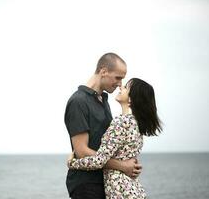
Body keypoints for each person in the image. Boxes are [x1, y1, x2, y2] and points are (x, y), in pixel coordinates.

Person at [67, 78, 162, 199]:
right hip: (132, 189)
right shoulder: (136, 124)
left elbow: (99, 161)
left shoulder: (121, 122)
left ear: (131, 100)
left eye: (126, 87)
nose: (121, 87)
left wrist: (72, 163)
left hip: (120, 191)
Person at [64, 53, 142, 199]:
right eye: (118, 77)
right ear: (103, 71)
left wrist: (130, 163)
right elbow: (81, 151)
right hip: (86, 184)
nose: (120, 84)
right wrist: (123, 166)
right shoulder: (78, 101)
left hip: (106, 183)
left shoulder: (103, 100)